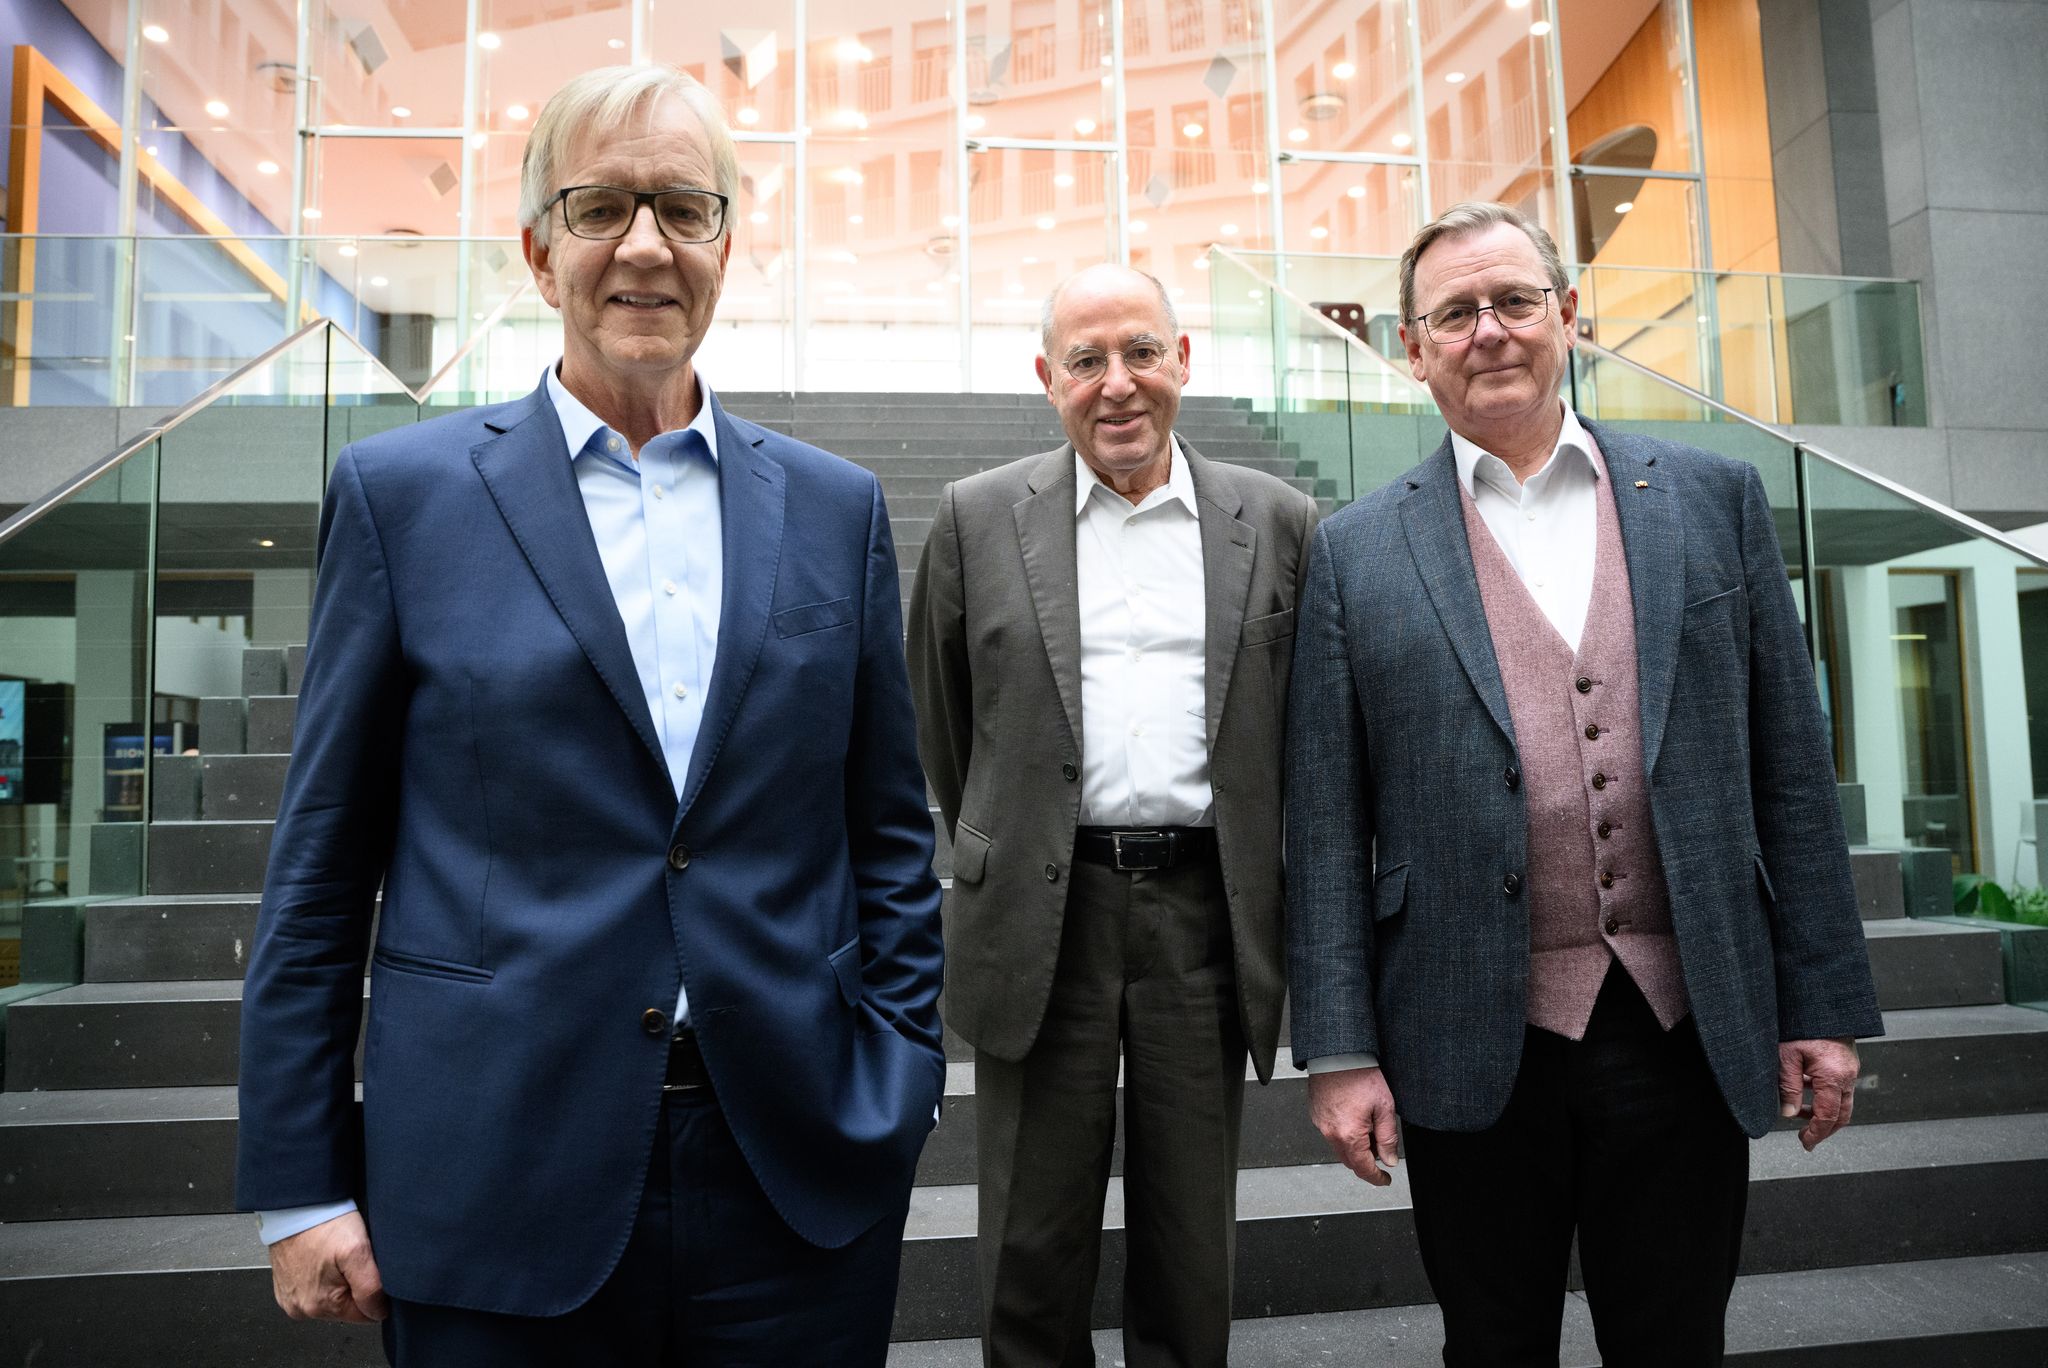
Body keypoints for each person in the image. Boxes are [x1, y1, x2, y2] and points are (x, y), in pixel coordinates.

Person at [235, 65, 943, 1365]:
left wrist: (898, 1075)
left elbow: (886, 829)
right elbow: (325, 859)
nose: (645, 246)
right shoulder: (404, 496)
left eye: (683, 206)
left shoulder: (836, 510)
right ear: (537, 246)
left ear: (727, 243)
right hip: (492, 1172)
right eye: (601, 205)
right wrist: (300, 1177)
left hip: (792, 1173)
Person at [1284, 201, 1882, 1366]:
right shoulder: (1352, 549)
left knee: (1671, 1341)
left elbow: (1790, 774)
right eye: (1452, 313)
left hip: (1681, 1018)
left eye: (1512, 301)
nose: (1486, 331)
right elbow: (1322, 824)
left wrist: (1821, 1006)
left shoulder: (1711, 499)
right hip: (1463, 1029)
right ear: (1412, 349)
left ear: (1567, 314)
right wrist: (1340, 1050)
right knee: (1492, 1344)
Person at [907, 262, 1318, 1366]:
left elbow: (1304, 734)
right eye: (1085, 361)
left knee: (1192, 1261)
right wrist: (1012, 838)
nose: (1116, 384)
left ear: (1183, 360)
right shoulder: (976, 518)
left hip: (1202, 919)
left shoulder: (1276, 520)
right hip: (1044, 916)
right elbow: (948, 728)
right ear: (1048, 380)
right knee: (1026, 1265)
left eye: (1140, 351)